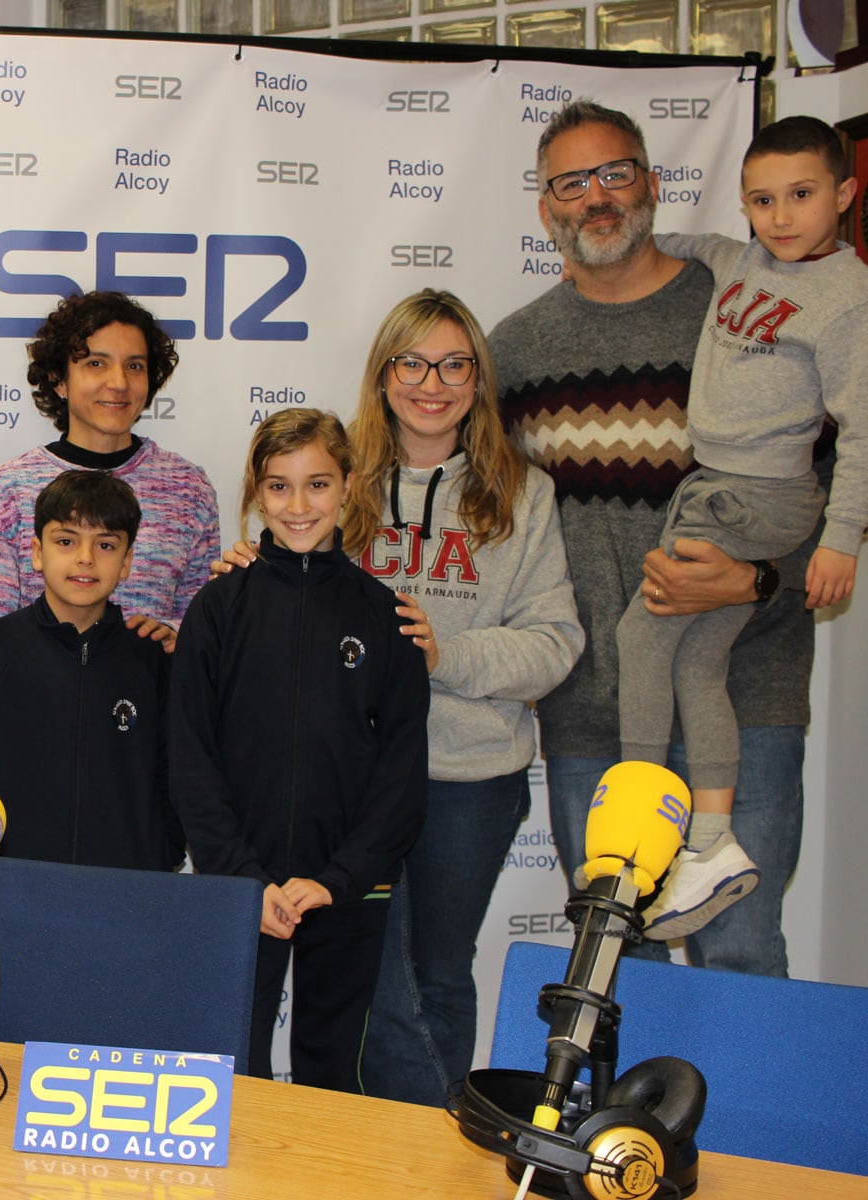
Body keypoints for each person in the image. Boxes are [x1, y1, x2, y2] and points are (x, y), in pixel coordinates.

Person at [494, 98, 829, 977]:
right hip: (593, 717)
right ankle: (622, 1126)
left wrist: (759, 581)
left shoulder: (751, 312)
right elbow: (477, 523)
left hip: (746, 694)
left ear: (651, 184)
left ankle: (753, 1125)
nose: (595, 198)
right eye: (571, 182)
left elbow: (827, 491)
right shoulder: (515, 352)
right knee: (613, 967)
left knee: (741, 950)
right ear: (545, 209)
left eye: (614, 174)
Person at [614, 115, 866, 940]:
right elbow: (693, 244)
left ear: (845, 193)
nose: (782, 216)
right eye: (763, 200)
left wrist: (840, 538)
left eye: (801, 195)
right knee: (696, 662)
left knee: (641, 639)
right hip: (719, 483)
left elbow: (863, 428)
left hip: (756, 497)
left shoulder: (849, 297)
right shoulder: (745, 258)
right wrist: (647, 227)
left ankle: (636, 839)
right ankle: (713, 844)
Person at [343, 290, 584, 1105]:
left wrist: (443, 655)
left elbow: (555, 643)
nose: (431, 382)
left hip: (469, 779)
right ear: (383, 376)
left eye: (454, 364)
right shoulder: (337, 482)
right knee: (362, 968)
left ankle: (428, 1150)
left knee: (436, 976)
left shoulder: (524, 492)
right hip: (354, 776)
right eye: (411, 362)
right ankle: (394, 1143)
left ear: (478, 379)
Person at [169, 409, 429, 1087]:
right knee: (232, 1071)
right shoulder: (220, 608)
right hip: (239, 886)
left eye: (317, 484)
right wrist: (241, 876)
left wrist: (340, 879)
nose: (298, 505)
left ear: (349, 486)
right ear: (256, 493)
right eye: (279, 487)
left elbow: (402, 773)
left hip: (348, 889)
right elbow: (190, 753)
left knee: (333, 1074)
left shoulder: (385, 615)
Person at [0, 470, 182, 870]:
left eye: (106, 544)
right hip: (13, 878)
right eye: (66, 541)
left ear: (128, 561)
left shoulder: (151, 657)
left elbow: (178, 768)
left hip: (129, 882)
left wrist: (163, 850)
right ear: (37, 552)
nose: (85, 558)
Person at [0, 290, 219, 639]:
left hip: (150, 690)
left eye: (134, 366)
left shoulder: (189, 488)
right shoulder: (9, 488)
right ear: (60, 380)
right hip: (37, 690)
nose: (119, 383)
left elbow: (202, 624)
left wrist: (172, 634)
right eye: (96, 363)